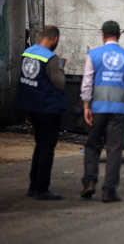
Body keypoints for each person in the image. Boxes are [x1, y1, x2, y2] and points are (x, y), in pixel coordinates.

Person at [80, 20, 124, 203]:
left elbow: (87, 82)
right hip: (119, 110)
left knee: (93, 145)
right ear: (119, 35)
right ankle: (109, 190)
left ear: (102, 34)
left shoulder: (94, 55)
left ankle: (90, 182)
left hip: (97, 108)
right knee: (114, 149)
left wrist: (86, 105)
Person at [15, 25, 67, 200]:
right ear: (55, 39)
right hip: (48, 108)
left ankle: (32, 186)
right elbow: (59, 83)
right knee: (47, 148)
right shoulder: (50, 57)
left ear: (40, 37)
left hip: (31, 106)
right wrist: (60, 67)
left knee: (39, 144)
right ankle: (41, 188)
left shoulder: (28, 53)